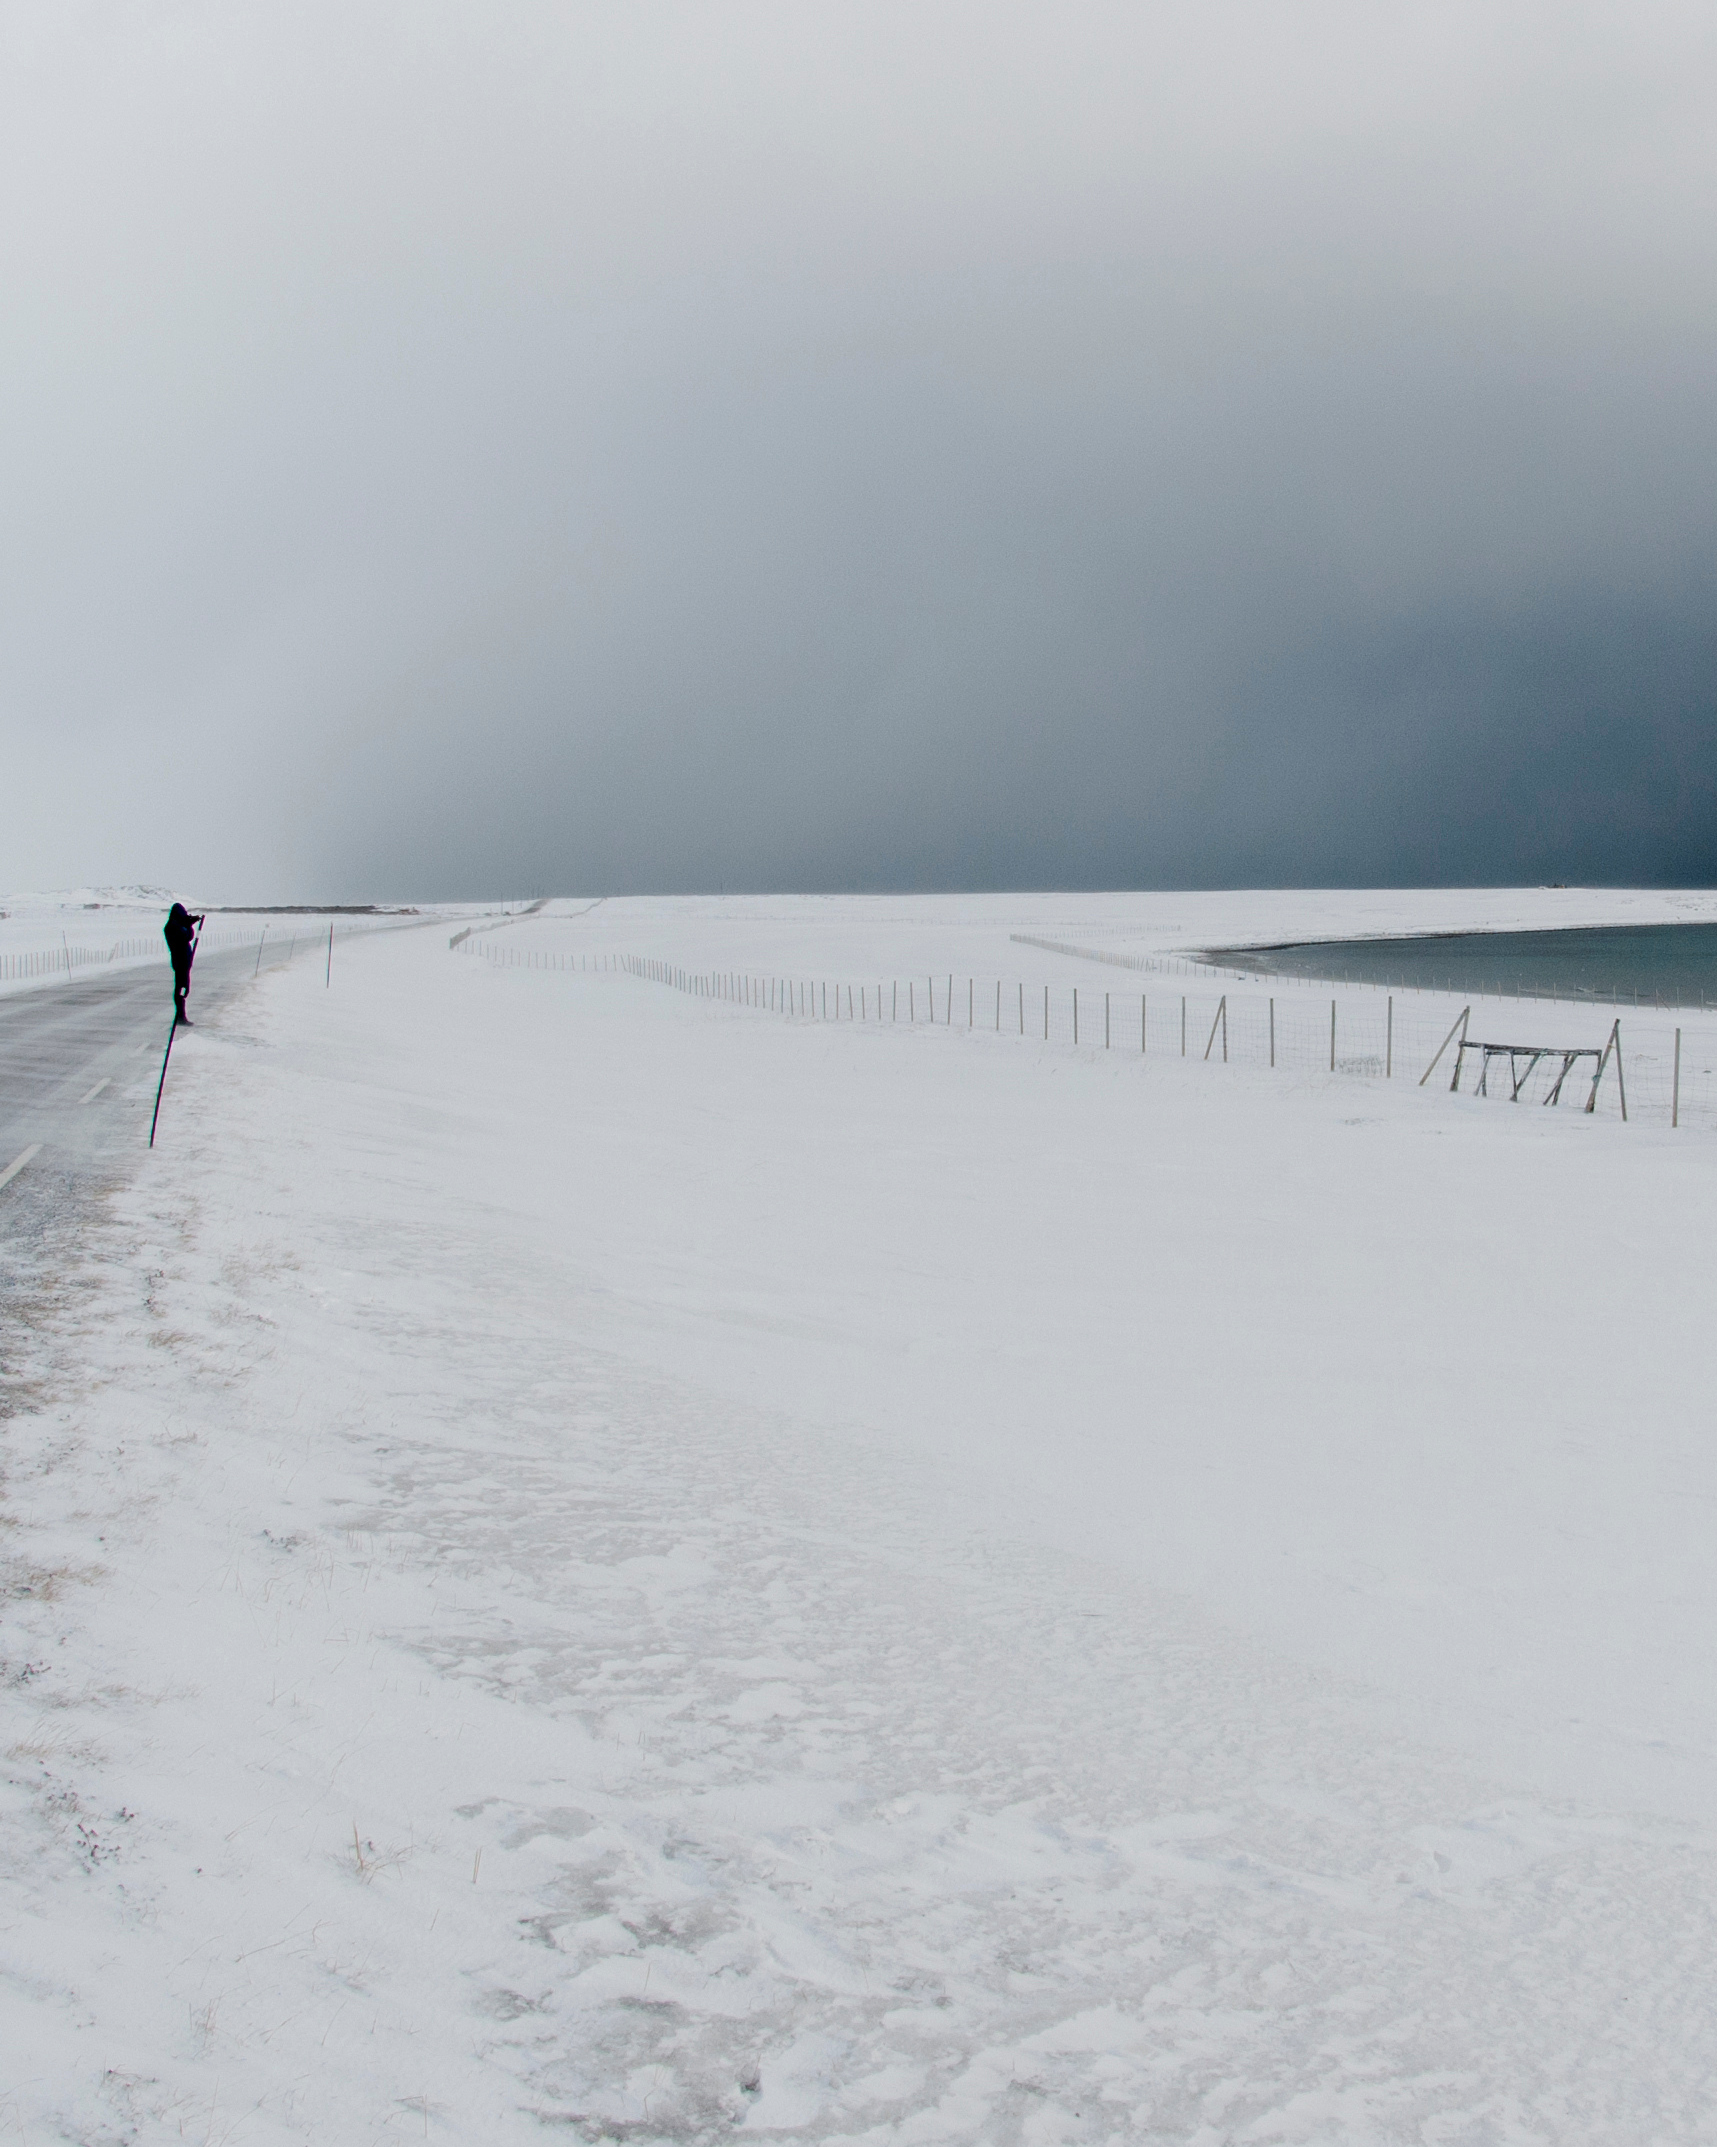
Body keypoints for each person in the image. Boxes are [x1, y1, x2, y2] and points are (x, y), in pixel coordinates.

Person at [163, 902, 205, 1026]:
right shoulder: (172, 926)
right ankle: (180, 1016)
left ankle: (181, 1015)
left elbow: (187, 935)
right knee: (181, 987)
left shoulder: (176, 924)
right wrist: (188, 924)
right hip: (180, 960)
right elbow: (186, 936)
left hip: (183, 960)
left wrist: (187, 924)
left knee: (183, 987)